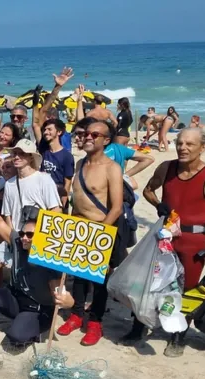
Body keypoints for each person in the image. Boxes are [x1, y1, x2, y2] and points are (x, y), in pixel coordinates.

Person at [136, 128, 205, 356]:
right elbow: (148, 190)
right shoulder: (166, 168)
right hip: (164, 238)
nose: (182, 148)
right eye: (179, 142)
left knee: (186, 290)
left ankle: (178, 336)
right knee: (151, 281)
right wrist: (159, 205)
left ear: (203, 147)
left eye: (189, 144)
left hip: (193, 243)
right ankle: (137, 326)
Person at [0, 179, 73, 353]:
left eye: (30, 234)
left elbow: (61, 293)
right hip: (16, 299)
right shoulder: (18, 242)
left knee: (16, 338)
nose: (24, 237)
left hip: (38, 309)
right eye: (22, 233)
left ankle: (36, 330)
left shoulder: (48, 260)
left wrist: (68, 302)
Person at [56, 121, 125, 346]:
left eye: (94, 134)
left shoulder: (112, 168)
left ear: (106, 141)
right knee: (78, 276)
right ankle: (76, 315)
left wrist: (100, 236)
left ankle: (95, 322)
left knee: (99, 280)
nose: (87, 137)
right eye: (86, 133)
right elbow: (76, 200)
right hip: (79, 229)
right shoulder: (79, 164)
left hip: (102, 228)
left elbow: (116, 207)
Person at [0, 139, 61, 291]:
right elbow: (7, 216)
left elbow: (55, 211)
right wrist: (13, 239)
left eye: (21, 154)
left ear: (31, 157)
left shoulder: (43, 179)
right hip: (16, 237)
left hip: (36, 239)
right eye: (15, 153)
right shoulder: (10, 184)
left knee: (41, 283)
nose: (16, 157)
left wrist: (43, 240)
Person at [37, 119, 75, 210]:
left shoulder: (67, 156)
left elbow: (68, 181)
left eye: (50, 129)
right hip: (42, 194)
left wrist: (63, 200)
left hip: (57, 194)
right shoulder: (43, 152)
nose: (46, 132)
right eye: (45, 130)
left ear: (59, 132)